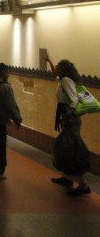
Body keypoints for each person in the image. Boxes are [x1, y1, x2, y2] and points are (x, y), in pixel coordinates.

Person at [45, 53, 91, 196]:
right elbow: (54, 75)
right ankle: (67, 178)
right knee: (67, 147)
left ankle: (83, 184)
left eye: (58, 66)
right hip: (69, 119)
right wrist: (49, 61)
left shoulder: (66, 81)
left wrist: (69, 116)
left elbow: (73, 100)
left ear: (63, 69)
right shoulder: (64, 79)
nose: (56, 68)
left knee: (72, 150)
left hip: (71, 120)